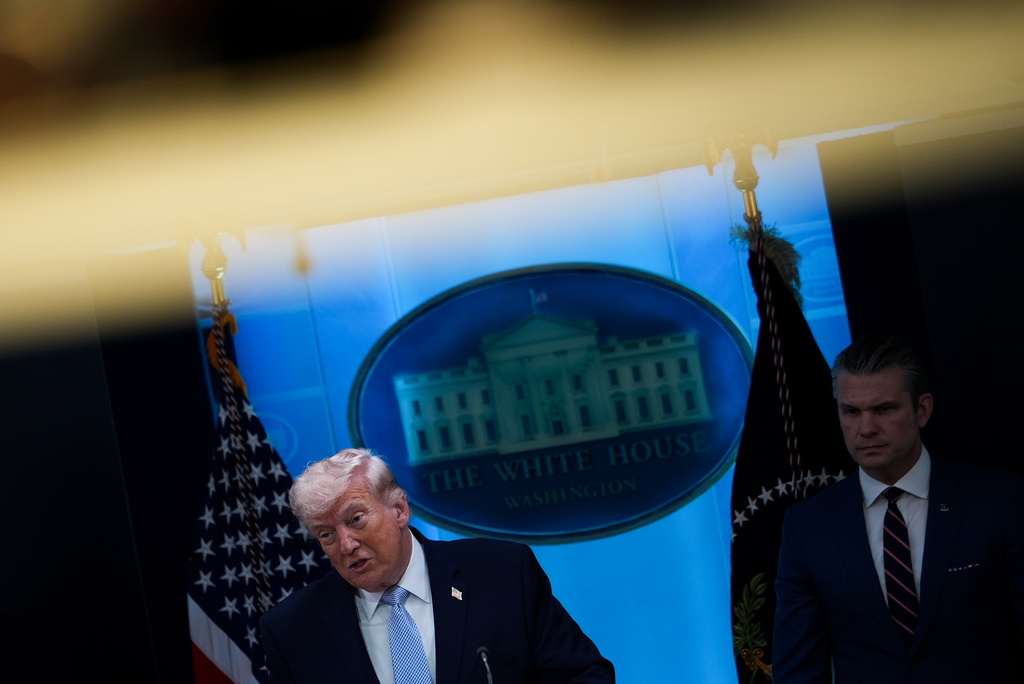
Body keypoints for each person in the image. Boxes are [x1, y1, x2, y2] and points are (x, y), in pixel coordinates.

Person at [773, 334, 1024, 683]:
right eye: (851, 412)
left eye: (884, 409)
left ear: (922, 410)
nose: (866, 429)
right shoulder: (807, 527)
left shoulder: (997, 501)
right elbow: (798, 673)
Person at [259, 447, 615, 683]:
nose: (346, 545)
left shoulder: (503, 573)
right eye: (326, 535)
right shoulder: (292, 630)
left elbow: (583, 676)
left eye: (355, 520)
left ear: (399, 510)